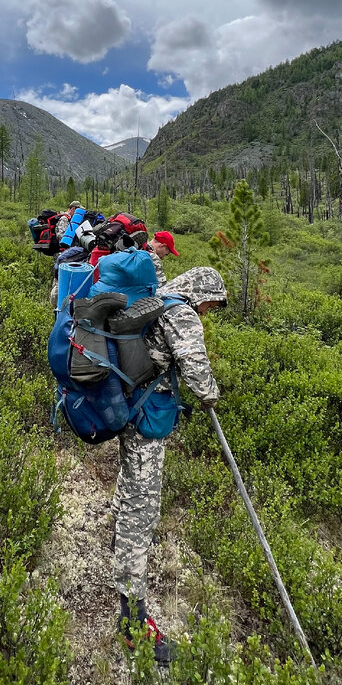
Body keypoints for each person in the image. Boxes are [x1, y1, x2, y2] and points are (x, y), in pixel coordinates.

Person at [109, 265, 227, 663]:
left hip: (129, 409)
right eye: (211, 305)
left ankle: (121, 542)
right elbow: (196, 370)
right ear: (201, 293)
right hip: (145, 421)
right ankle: (133, 625)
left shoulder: (156, 299)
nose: (209, 312)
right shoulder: (182, 313)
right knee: (140, 514)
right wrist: (211, 394)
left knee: (130, 493)